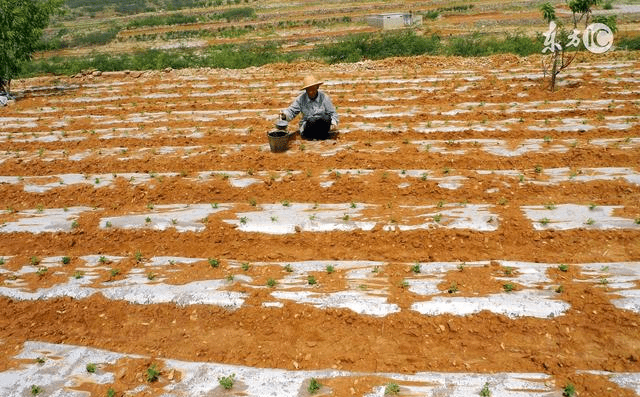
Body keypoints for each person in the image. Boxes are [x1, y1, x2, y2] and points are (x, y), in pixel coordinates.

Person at [280, 75, 339, 140]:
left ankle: (321, 136)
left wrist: (333, 123)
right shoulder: (300, 99)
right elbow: (291, 111)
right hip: (308, 127)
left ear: (317, 87)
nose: (311, 92)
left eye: (313, 89)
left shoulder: (324, 97)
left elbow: (332, 113)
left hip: (322, 125)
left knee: (326, 118)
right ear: (306, 90)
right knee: (312, 121)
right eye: (309, 90)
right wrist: (284, 115)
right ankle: (313, 137)